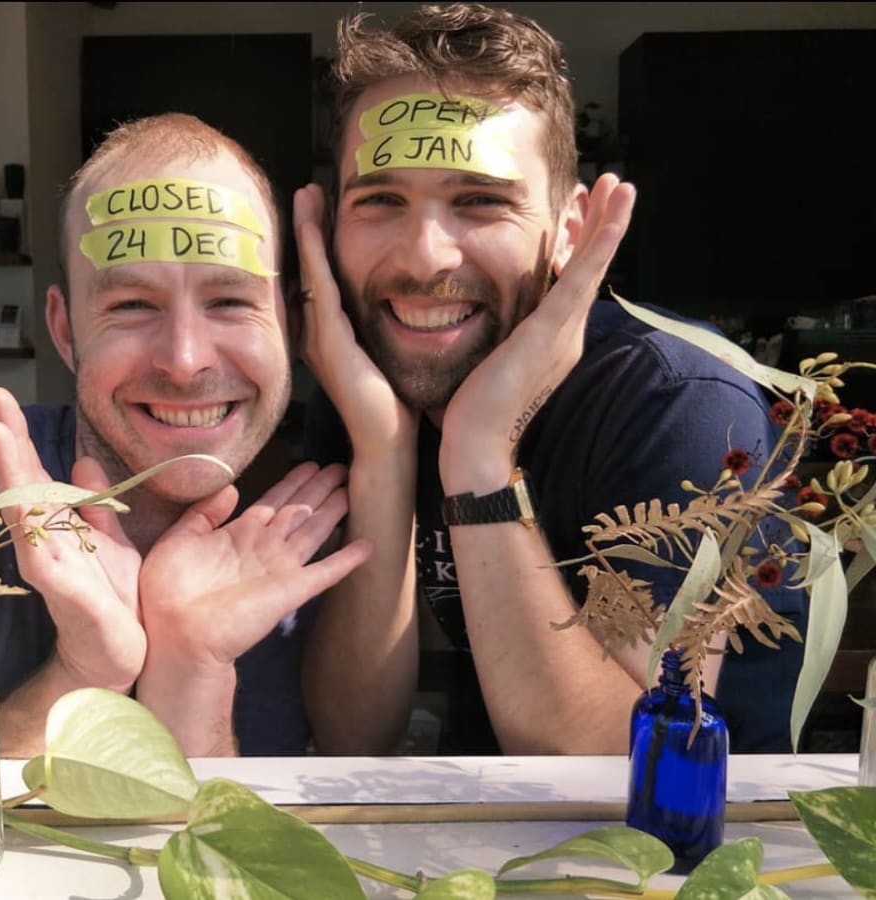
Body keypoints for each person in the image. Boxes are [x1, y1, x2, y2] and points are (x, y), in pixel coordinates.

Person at [295, 3, 806, 755]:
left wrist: (477, 458)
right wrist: (382, 455)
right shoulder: (364, 389)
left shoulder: (681, 404)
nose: (424, 257)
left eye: (480, 201)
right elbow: (351, 733)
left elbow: (616, 774)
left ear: (571, 229)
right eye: (379, 200)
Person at [0, 113, 370, 758]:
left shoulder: (288, 550)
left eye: (230, 300)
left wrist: (190, 669)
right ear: (64, 330)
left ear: (288, 321)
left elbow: (204, 847)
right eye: (131, 305)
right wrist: (84, 671)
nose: (186, 358)